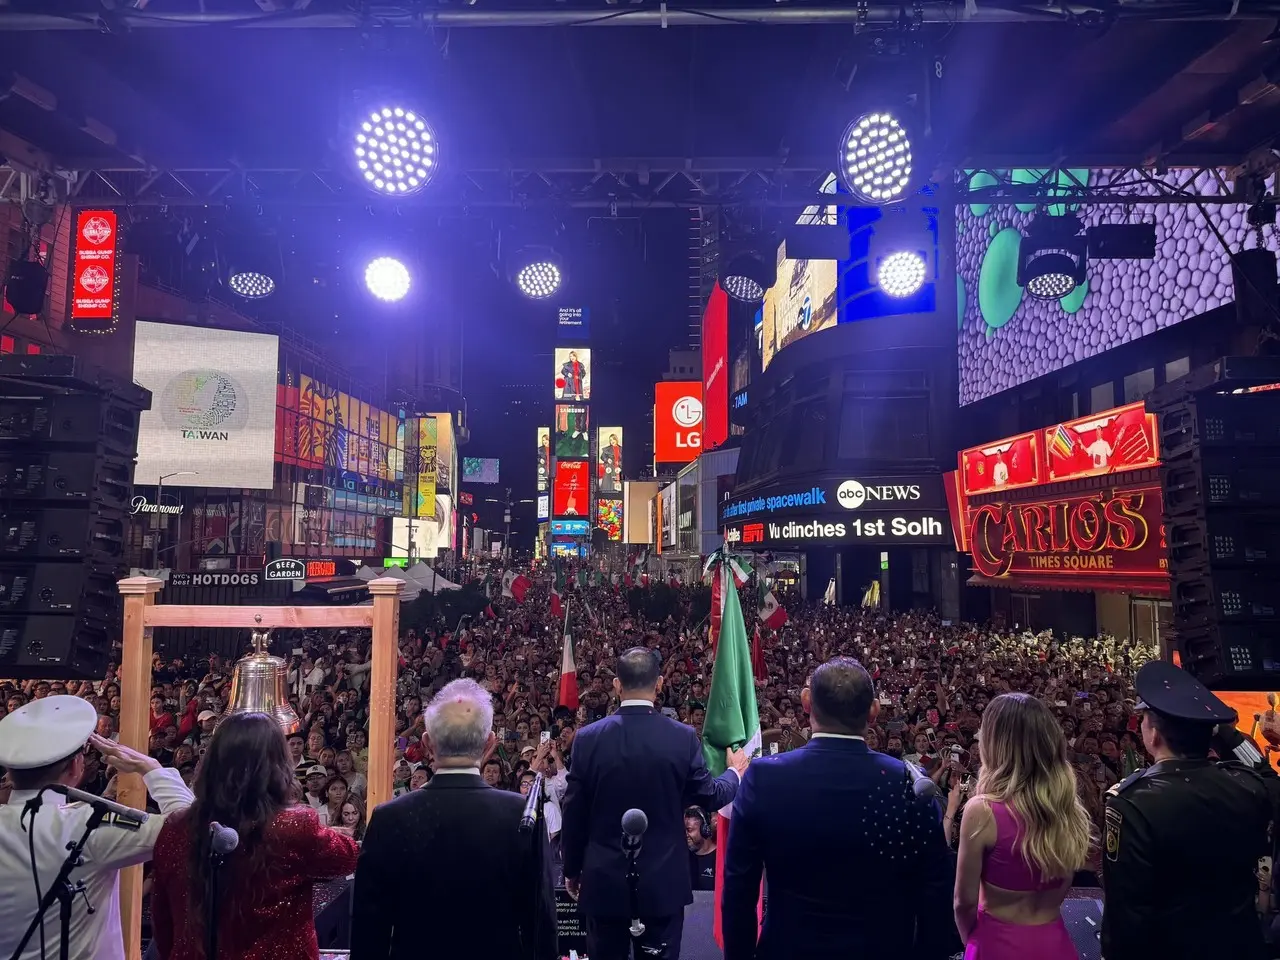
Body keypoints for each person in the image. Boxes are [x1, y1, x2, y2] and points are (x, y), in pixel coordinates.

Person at [721, 657, 953, 960]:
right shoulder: (909, 783)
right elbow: (935, 894)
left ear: (806, 703)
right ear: (873, 710)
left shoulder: (764, 778)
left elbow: (739, 891)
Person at [351, 679, 557, 960]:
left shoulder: (389, 818)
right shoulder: (521, 814)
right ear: (489, 743)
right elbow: (541, 924)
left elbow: (368, 930)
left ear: (426, 744)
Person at [562, 647, 746, 960]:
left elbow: (574, 813)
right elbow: (711, 795)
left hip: (604, 884)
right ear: (659, 683)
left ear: (617, 685)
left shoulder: (587, 738)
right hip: (662, 888)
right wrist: (735, 772)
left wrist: (572, 869)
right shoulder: (682, 737)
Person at [1101, 661, 1278, 960]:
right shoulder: (1246, 786)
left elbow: (1127, 916)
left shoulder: (1130, 803)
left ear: (1153, 734)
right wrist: (1227, 733)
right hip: (1242, 948)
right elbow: (1268, 776)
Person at [150, 713, 360, 960]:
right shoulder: (295, 826)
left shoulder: (175, 828)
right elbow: (348, 857)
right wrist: (329, 835)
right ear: (277, 765)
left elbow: (162, 923)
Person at [0, 695, 194, 960]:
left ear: (9, 773)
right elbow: (189, 831)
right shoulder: (88, 825)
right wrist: (152, 769)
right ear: (76, 766)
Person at [953, 693, 1092, 959]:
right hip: (1055, 945)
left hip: (997, 946)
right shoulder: (1066, 808)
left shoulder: (982, 811)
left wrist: (973, 942)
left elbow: (963, 903)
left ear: (997, 744)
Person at [684, 807, 716, 891]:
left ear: (704, 829)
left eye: (689, 830)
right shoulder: (683, 858)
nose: (685, 835)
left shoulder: (721, 858)